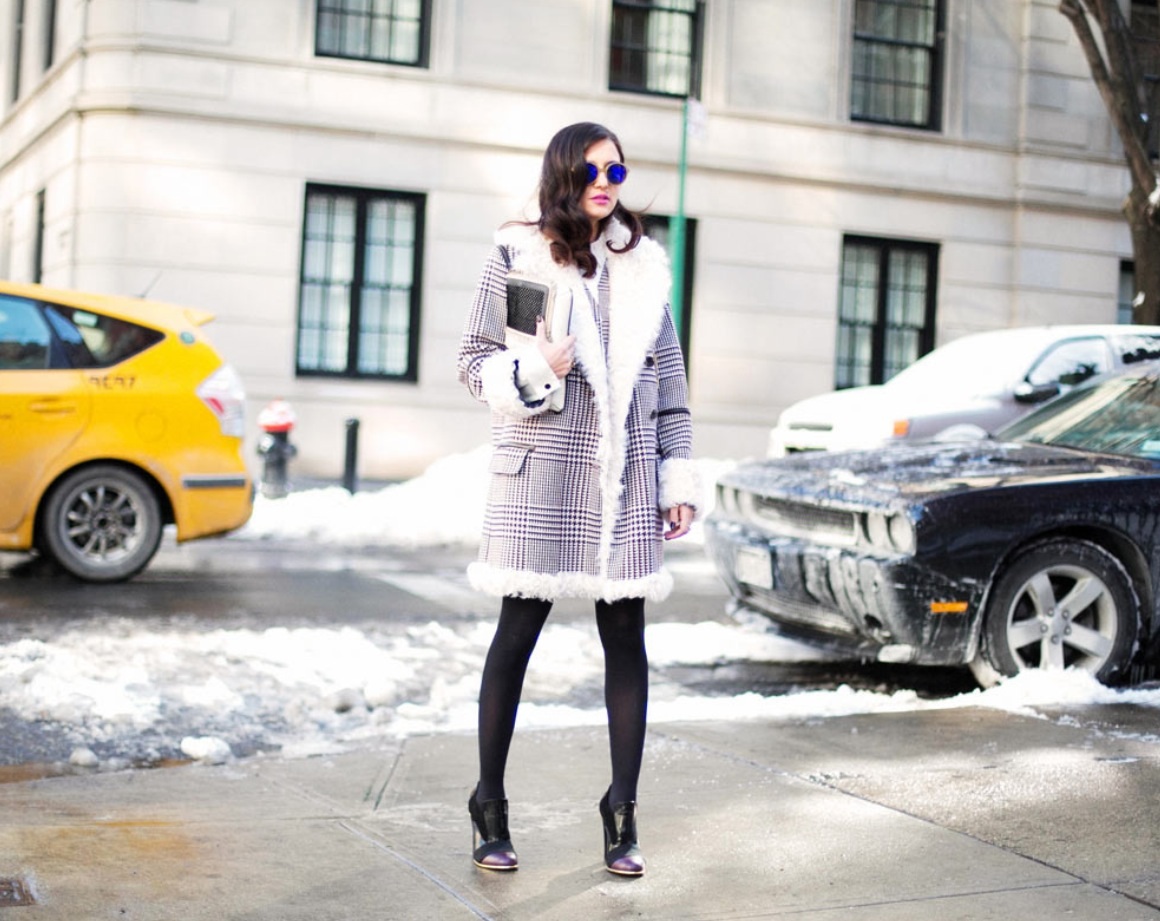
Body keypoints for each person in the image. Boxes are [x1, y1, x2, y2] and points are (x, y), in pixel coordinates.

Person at [456, 122, 700, 877]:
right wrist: (536, 367)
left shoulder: (643, 268)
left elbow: (671, 387)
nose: (605, 183)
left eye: (616, 171)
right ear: (563, 174)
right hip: (541, 472)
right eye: (592, 170)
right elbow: (472, 361)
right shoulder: (518, 254)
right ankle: (488, 803)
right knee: (517, 632)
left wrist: (676, 475)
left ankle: (622, 812)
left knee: (626, 636)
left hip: (623, 477)